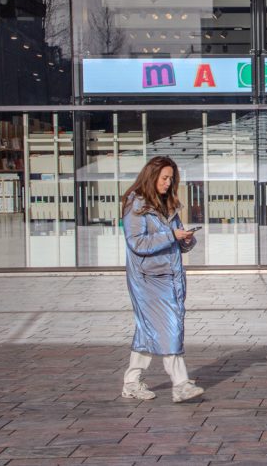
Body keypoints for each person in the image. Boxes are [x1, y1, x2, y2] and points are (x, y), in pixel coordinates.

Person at [120, 155, 204, 403]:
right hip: (148, 279)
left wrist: (186, 239)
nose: (168, 183)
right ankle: (180, 384)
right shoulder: (136, 205)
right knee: (170, 326)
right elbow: (137, 243)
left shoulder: (167, 205)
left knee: (148, 330)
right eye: (165, 177)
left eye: (171, 178)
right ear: (152, 175)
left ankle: (131, 382)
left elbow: (176, 240)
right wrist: (171, 235)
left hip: (170, 277)